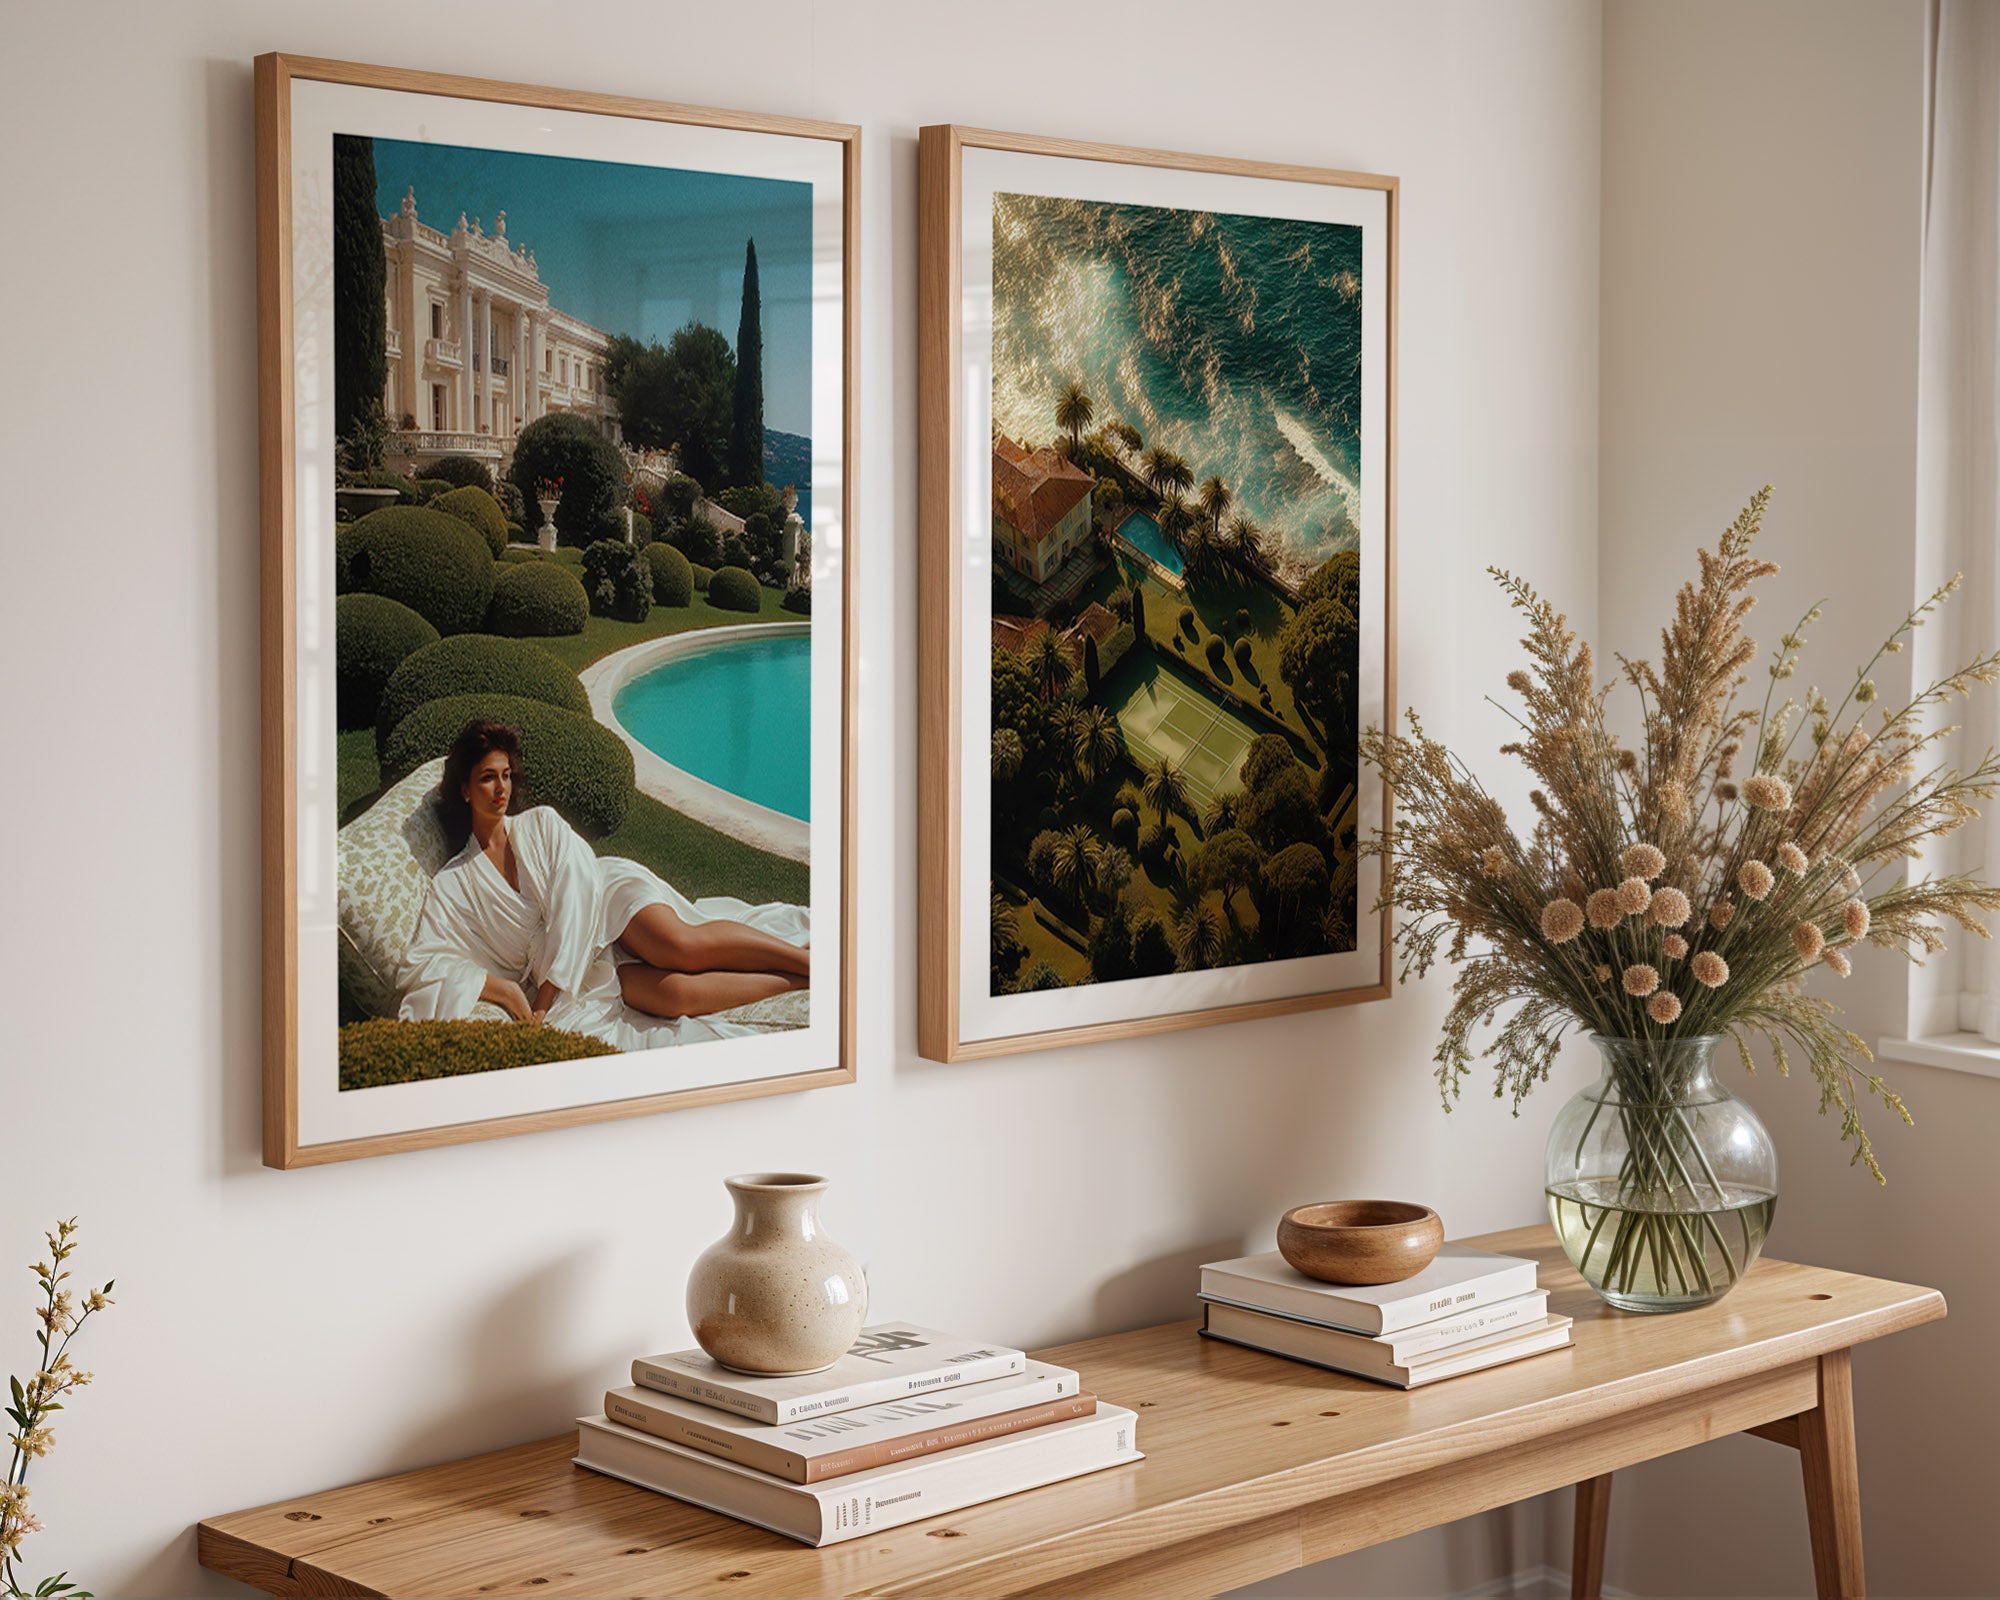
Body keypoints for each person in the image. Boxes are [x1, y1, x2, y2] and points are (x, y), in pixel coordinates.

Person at [398, 719, 808, 1036]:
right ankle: (795, 981)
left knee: (680, 947)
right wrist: (501, 989)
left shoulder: (540, 824)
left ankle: (811, 962)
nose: (501, 788)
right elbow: (423, 963)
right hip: (579, 969)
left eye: (506, 775)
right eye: (488, 777)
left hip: (605, 903)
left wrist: (543, 999)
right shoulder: (454, 884)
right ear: (466, 789)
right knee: (674, 996)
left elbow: (576, 894)